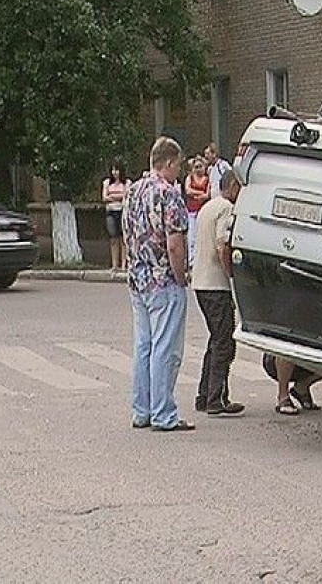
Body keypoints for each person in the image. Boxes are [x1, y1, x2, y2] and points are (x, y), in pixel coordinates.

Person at [122, 136, 194, 432]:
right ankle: (164, 413)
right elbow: (175, 244)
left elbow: (127, 232)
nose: (179, 170)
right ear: (167, 162)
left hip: (138, 279)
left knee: (144, 346)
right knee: (166, 348)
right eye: (178, 164)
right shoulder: (169, 194)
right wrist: (181, 276)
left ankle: (142, 410)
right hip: (163, 279)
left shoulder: (132, 191)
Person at [192, 169, 245, 416]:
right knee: (224, 342)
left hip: (201, 282)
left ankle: (205, 395)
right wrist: (231, 273)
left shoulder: (208, 207)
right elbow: (222, 244)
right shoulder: (226, 209)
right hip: (215, 284)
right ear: (233, 186)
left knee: (215, 340)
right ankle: (216, 398)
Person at [101, 162, 130, 270]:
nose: (115, 173)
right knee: (113, 238)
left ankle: (124, 264)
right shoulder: (107, 183)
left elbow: (127, 195)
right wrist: (118, 197)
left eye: (117, 170)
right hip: (111, 212)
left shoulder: (127, 182)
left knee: (123, 238)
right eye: (113, 170)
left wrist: (112, 196)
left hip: (122, 211)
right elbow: (104, 197)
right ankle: (114, 265)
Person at [183, 156, 210, 267]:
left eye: (200, 166)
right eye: (196, 167)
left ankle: (203, 259)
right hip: (192, 211)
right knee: (192, 236)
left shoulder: (207, 179)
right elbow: (188, 191)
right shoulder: (190, 178)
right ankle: (192, 261)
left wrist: (196, 194)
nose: (198, 169)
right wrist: (200, 194)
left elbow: (208, 194)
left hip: (203, 211)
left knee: (203, 235)